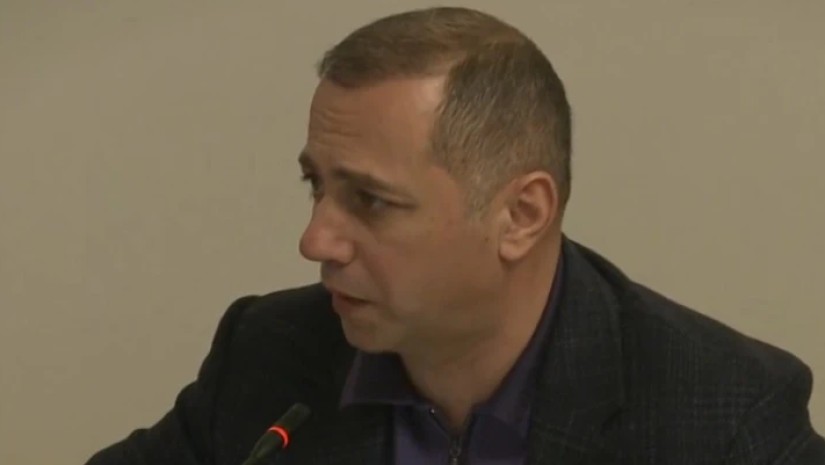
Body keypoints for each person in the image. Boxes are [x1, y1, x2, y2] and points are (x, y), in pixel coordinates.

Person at [86, 6, 824, 465]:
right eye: (317, 185)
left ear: (520, 216)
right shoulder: (271, 354)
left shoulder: (723, 416)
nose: (315, 241)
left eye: (371, 200)